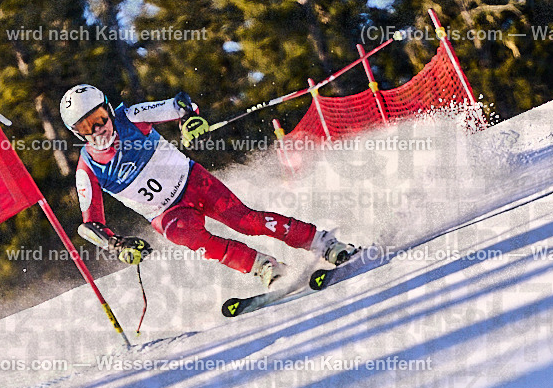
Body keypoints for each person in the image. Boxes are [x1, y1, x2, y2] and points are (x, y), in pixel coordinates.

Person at [60, 84, 359, 288]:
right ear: (77, 133)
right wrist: (117, 245)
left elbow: (179, 103)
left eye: (98, 118)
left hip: (192, 181)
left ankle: (324, 243)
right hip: (167, 214)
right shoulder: (87, 168)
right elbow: (89, 226)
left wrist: (189, 120)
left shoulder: (130, 116)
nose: (97, 130)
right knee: (195, 239)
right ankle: (265, 267)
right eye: (86, 127)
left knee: (246, 221)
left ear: (108, 110)